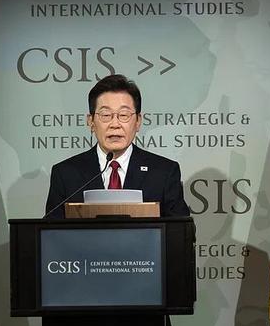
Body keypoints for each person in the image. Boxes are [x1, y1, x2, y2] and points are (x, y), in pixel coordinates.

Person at [45, 73, 190, 219]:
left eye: (124, 115)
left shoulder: (164, 172)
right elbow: (50, 230)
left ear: (138, 121)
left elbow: (181, 229)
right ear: (91, 122)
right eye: (105, 115)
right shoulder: (65, 174)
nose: (115, 124)